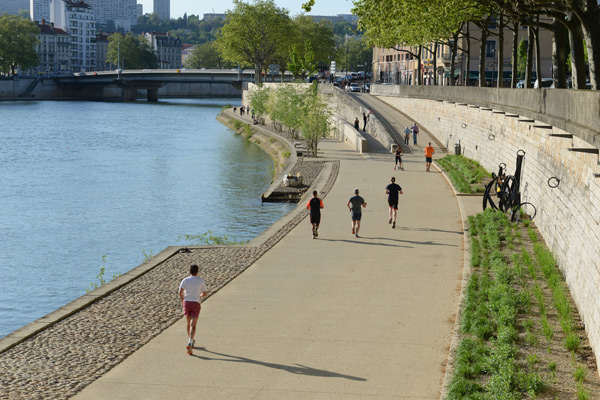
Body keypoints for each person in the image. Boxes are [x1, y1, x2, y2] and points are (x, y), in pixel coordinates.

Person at [178, 264, 208, 355]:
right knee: (193, 325)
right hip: (196, 303)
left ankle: (190, 340)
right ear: (197, 271)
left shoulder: (185, 280)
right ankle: (190, 341)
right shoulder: (200, 281)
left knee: (188, 323)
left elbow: (180, 292)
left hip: (187, 303)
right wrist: (200, 295)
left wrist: (183, 299)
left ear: (189, 271)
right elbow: (205, 293)